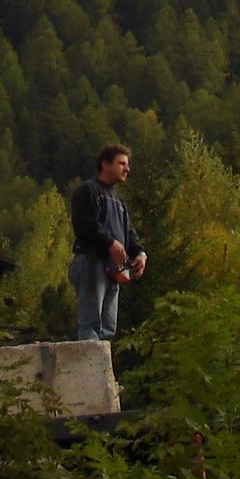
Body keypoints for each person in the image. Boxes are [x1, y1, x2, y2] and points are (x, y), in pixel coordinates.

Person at [68, 143, 146, 341]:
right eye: (121, 163)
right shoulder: (88, 190)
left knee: (108, 328)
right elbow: (85, 224)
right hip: (91, 261)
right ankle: (88, 369)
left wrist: (140, 254)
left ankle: (99, 368)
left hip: (114, 268)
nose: (127, 169)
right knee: (91, 324)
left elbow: (128, 233)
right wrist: (110, 243)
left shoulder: (118, 201)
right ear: (105, 164)